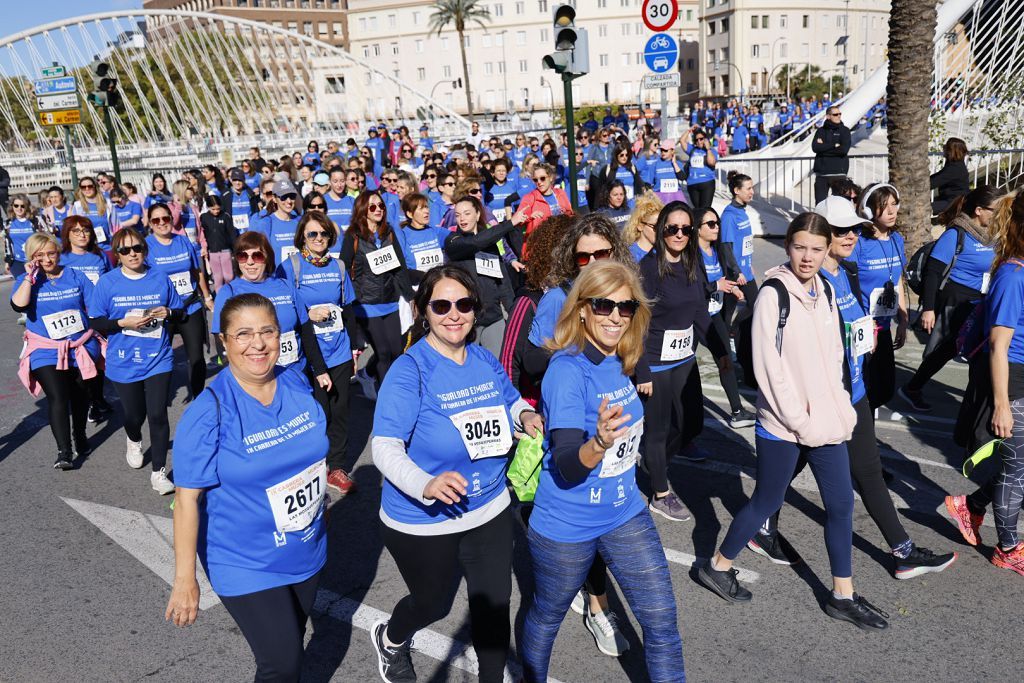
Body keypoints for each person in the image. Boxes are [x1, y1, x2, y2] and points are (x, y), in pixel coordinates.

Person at [697, 212, 889, 631]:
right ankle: (718, 564)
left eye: (816, 249)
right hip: (784, 426)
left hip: (825, 422)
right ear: (788, 247)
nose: (808, 256)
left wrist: (836, 405)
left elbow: (837, 355)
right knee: (766, 501)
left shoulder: (825, 289)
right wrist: (801, 420)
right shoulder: (773, 294)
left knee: (840, 506)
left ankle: (842, 595)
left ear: (826, 251)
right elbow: (769, 370)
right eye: (800, 247)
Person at [750, 196, 958, 576]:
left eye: (854, 229)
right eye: (840, 230)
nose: (850, 236)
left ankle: (902, 551)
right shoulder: (811, 282)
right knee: (798, 467)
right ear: (822, 236)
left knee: (865, 471)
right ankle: (754, 528)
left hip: (853, 394)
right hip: (825, 400)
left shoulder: (847, 272)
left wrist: (867, 336)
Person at [370, 265, 543, 683]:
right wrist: (425, 483)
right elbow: (384, 447)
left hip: (489, 508)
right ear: (422, 311)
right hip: (423, 520)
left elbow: (510, 399)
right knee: (433, 605)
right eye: (441, 305)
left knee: (494, 605)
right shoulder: (409, 370)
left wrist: (523, 415)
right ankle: (392, 638)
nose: (454, 314)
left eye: (463, 304)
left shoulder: (483, 357)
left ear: (475, 309)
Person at [521, 260, 684, 682]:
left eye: (625, 307)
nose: (615, 316)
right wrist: (599, 443)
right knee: (547, 616)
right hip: (566, 524)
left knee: (662, 622)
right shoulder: (566, 370)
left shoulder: (621, 359)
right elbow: (566, 463)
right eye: (603, 305)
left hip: (623, 512)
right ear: (581, 309)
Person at [165, 293, 329, 682]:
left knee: (291, 640)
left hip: (307, 546)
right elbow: (187, 500)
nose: (257, 344)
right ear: (224, 341)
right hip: (244, 560)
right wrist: (184, 579)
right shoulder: (209, 413)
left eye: (267, 332)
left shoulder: (296, 382)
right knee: (282, 664)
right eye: (243, 334)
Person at [636, 202, 729, 521]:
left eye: (686, 229)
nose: (679, 234)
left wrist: (719, 352)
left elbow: (699, 312)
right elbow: (638, 323)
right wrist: (642, 370)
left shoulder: (693, 263)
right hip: (656, 362)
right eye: (672, 228)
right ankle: (660, 493)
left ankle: (653, 460)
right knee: (660, 429)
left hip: (684, 360)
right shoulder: (647, 268)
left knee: (688, 423)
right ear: (661, 230)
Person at [949, 191, 1024, 576]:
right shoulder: (1013, 275)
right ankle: (1008, 547)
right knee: (1017, 468)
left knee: (1020, 464)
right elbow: (998, 345)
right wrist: (1000, 404)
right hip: (1013, 384)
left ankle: (973, 506)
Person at [88, 228, 185, 494]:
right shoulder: (107, 283)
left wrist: (169, 311)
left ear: (144, 249)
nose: (132, 254)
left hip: (158, 357)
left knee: (157, 414)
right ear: (117, 254)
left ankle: (159, 473)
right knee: (134, 415)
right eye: (125, 250)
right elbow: (95, 321)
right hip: (123, 360)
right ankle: (133, 438)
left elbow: (180, 312)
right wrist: (122, 322)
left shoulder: (159, 277)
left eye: (137, 248)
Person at [901, 185, 1005, 411]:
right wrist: (928, 309)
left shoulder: (994, 236)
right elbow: (933, 272)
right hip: (954, 300)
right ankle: (912, 387)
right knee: (945, 350)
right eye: (995, 211)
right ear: (979, 210)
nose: (999, 216)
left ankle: (975, 402)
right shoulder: (955, 234)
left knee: (979, 353)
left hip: (981, 300)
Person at [279, 211, 360, 497]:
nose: (318, 239)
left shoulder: (337, 266)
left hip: (337, 350)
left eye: (323, 234)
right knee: (316, 412)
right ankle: (313, 466)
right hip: (307, 354)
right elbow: (282, 307)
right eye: (312, 234)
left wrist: (355, 345)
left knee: (339, 411)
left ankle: (337, 467)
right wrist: (308, 313)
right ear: (302, 236)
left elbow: (348, 306)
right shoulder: (290, 267)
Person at [11, 233, 101, 469]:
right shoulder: (26, 279)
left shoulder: (75, 276)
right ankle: (64, 451)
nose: (47, 260)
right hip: (45, 348)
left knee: (80, 396)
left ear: (58, 253)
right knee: (58, 396)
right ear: (32, 258)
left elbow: (95, 308)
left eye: (51, 253)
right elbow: (18, 305)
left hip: (79, 345)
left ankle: (79, 435)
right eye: (40, 255)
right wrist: (30, 278)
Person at [341, 190, 412, 397]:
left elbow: (399, 267)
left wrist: (410, 296)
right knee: (382, 352)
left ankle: (367, 372)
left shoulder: (388, 233)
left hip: (390, 301)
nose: (378, 210)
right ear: (363, 210)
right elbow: (344, 268)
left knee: (396, 351)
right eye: (373, 207)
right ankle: (388, 398)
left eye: (381, 206)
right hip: (366, 305)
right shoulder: (353, 236)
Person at [694, 206, 755, 427]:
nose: (716, 227)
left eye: (717, 223)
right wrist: (714, 286)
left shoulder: (717, 250)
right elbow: (690, 289)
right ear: (697, 229)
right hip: (694, 317)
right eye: (710, 224)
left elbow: (723, 277)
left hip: (714, 314)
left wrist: (731, 288)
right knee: (683, 367)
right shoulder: (691, 255)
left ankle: (737, 412)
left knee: (725, 359)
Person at [145, 203, 212, 400]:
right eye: (156, 220)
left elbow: (196, 271)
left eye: (165, 218)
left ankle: (198, 397)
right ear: (150, 223)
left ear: (171, 219)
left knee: (197, 357)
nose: (162, 223)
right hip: (162, 311)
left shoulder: (183, 241)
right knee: (161, 358)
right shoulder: (146, 246)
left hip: (189, 306)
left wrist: (207, 296)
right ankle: (160, 397)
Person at [443, 194, 522, 357]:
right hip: (467, 320)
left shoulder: (490, 243)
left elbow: (503, 282)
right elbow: (474, 242)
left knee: (499, 364)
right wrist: (510, 223)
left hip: (494, 318)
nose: (462, 219)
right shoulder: (453, 241)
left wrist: (512, 313)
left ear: (478, 214)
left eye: (467, 213)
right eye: (457, 215)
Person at [852, 183, 908, 409]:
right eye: (885, 207)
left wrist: (903, 320)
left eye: (894, 205)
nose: (892, 211)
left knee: (883, 390)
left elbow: (897, 281)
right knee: (863, 394)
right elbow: (848, 285)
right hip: (862, 329)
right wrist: (867, 327)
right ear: (868, 210)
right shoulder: (858, 242)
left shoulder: (897, 240)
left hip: (884, 327)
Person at [720, 172, 759, 387]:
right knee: (725, 317)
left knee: (755, 307)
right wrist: (737, 273)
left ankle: (738, 331)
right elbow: (726, 247)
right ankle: (726, 357)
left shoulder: (743, 211)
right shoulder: (729, 215)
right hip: (737, 276)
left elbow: (744, 244)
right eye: (748, 188)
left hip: (747, 272)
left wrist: (749, 264)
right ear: (737, 190)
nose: (752, 192)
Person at [512, 163, 572, 240]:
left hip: (561, 239)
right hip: (539, 243)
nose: (539, 182)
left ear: (550, 178)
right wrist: (530, 217)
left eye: (542, 178)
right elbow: (517, 221)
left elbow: (570, 214)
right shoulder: (529, 198)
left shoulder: (560, 193)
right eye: (535, 180)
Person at [399, 193, 450, 285]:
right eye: (421, 208)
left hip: (438, 284)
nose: (426, 211)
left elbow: (459, 240)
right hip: (416, 286)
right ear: (410, 214)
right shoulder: (402, 235)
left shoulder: (436, 231)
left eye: (426, 207)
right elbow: (400, 269)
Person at [812, 106, 851, 204]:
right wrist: (834, 145)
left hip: (839, 173)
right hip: (822, 174)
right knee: (820, 204)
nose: (838, 116)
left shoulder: (845, 131)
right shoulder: (820, 131)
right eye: (835, 114)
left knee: (841, 204)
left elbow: (843, 150)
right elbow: (815, 148)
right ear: (828, 116)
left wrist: (823, 148)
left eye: (839, 114)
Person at [930, 137, 970, 215]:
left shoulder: (954, 168)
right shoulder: (956, 164)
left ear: (950, 151)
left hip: (954, 203)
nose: (943, 148)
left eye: (946, 147)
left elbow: (932, 182)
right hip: (954, 200)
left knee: (923, 208)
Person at [621, 192, 664, 262]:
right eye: (656, 226)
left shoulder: (664, 251)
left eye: (662, 226)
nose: (660, 230)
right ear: (640, 226)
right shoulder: (629, 255)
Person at [681, 127, 717, 210]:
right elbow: (682, 141)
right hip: (692, 184)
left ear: (705, 139)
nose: (699, 141)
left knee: (705, 210)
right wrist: (689, 130)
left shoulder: (711, 151)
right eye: (696, 140)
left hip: (707, 183)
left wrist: (708, 149)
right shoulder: (692, 150)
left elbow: (711, 162)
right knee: (697, 210)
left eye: (701, 139)